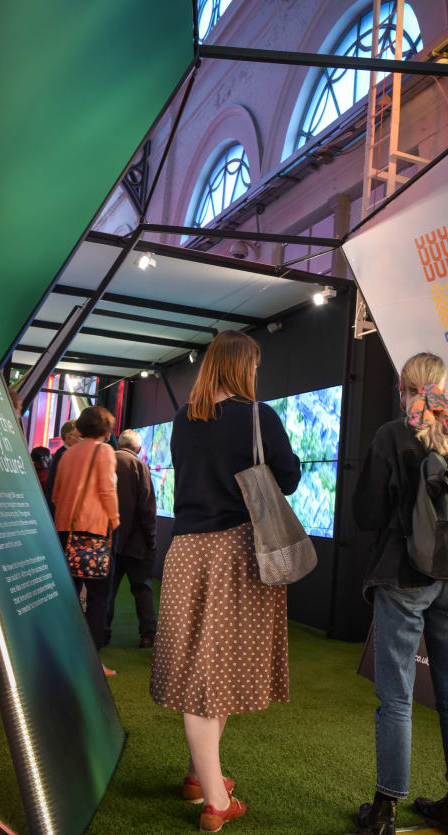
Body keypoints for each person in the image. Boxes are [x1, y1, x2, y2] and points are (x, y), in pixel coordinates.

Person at [150, 330, 300, 834]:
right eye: (253, 365)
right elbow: (290, 477)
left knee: (202, 668)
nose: (256, 373)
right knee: (215, 675)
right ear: (243, 366)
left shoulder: (181, 419)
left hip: (187, 551)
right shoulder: (259, 416)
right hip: (239, 552)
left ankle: (200, 775)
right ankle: (215, 800)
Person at [353, 352, 448, 835]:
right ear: (442, 385)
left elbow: (366, 513)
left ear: (403, 387)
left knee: (397, 698)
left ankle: (384, 813)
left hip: (406, 576)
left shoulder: (392, 434)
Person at [53, 406, 120, 677]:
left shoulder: (68, 454)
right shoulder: (104, 451)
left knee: (70, 597)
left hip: (64, 531)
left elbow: (56, 494)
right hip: (92, 532)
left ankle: (64, 654)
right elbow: (106, 488)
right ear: (106, 430)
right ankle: (92, 662)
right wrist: (114, 520)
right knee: (98, 598)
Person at [106, 429, 157, 648]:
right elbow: (147, 507)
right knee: (142, 589)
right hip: (136, 544)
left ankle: (102, 634)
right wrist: (151, 539)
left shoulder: (107, 460)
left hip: (109, 540)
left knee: (107, 591)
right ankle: (148, 636)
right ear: (138, 448)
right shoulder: (139, 466)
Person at [46, 419, 80, 512]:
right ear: (69, 437)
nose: (83, 440)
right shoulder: (64, 455)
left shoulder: (65, 453)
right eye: (81, 436)